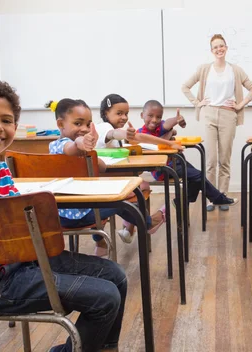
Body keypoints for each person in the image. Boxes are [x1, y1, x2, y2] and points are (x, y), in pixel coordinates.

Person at [0, 79, 127, 352]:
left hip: (22, 263)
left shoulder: (1, 171)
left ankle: (104, 347)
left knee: (116, 274)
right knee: (105, 297)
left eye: (6, 120)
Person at [46, 98, 164, 257]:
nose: (84, 129)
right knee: (121, 203)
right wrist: (82, 143)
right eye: (78, 123)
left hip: (60, 215)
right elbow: (72, 146)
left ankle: (101, 244)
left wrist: (90, 152)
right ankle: (149, 223)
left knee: (102, 198)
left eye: (88, 125)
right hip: (79, 214)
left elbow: (101, 166)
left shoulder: (77, 150)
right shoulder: (60, 145)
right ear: (61, 124)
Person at [181, 34, 252, 210]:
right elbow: (185, 86)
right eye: (215, 47)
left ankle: (222, 196)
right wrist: (197, 103)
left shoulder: (235, 70)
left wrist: (240, 104)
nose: (219, 49)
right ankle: (212, 197)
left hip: (228, 115)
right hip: (209, 114)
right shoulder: (204, 69)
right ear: (211, 50)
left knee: (224, 159)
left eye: (221, 46)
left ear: (226, 48)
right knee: (211, 160)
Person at [96, 93, 183, 243]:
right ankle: (148, 223)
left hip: (110, 180)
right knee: (140, 187)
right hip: (107, 184)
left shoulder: (111, 132)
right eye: (119, 113)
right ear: (105, 113)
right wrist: (169, 144)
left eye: (126, 114)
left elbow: (137, 140)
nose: (124, 117)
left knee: (142, 185)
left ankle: (127, 230)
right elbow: (126, 135)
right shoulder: (104, 128)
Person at [137, 99, 238, 209]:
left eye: (158, 117)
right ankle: (217, 199)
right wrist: (170, 133)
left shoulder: (160, 127)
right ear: (142, 115)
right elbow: (157, 143)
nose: (154, 120)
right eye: (150, 116)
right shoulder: (140, 134)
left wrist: (176, 120)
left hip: (175, 163)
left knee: (197, 178)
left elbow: (167, 124)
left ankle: (180, 201)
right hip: (161, 169)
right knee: (198, 176)